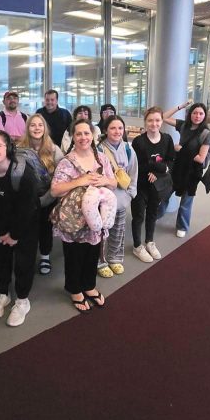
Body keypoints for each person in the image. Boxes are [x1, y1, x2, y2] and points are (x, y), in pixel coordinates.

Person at [51, 119, 118, 312]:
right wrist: (79, 181)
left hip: (96, 216)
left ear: (93, 135)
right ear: (72, 136)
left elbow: (114, 183)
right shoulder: (66, 161)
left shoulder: (101, 158)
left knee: (92, 253)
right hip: (73, 218)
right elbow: (55, 190)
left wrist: (104, 179)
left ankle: (88, 285)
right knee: (74, 254)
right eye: (78, 133)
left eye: (86, 133)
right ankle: (74, 289)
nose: (83, 137)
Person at [0, 129, 40, 327]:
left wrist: (15, 235)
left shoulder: (23, 173)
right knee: (0, 258)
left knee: (23, 262)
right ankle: (3, 294)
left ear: (8, 148)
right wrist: (2, 232)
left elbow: (27, 208)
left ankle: (22, 300)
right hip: (1, 221)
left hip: (26, 223)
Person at [16, 113, 64, 276]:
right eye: (33, 125)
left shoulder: (54, 149)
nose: (36, 128)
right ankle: (27, 256)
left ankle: (45, 255)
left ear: (45, 128)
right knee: (28, 229)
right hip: (27, 200)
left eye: (40, 125)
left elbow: (61, 176)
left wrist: (47, 198)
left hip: (48, 197)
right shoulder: (19, 149)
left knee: (45, 228)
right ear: (27, 128)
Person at [130, 107, 175, 263]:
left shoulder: (168, 139)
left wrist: (158, 171)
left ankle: (149, 241)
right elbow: (136, 167)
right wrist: (155, 166)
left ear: (162, 122)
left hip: (157, 185)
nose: (154, 123)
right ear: (145, 122)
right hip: (140, 184)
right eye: (150, 120)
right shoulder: (138, 141)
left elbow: (170, 162)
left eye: (157, 120)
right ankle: (137, 246)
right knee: (138, 216)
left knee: (152, 214)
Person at [95, 116, 137, 277]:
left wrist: (130, 194)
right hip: (104, 202)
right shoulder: (98, 149)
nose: (117, 131)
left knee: (118, 231)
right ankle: (100, 261)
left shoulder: (128, 148)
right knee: (102, 233)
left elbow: (134, 171)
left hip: (122, 199)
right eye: (113, 128)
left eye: (120, 128)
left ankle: (114, 258)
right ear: (105, 130)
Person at [164, 102, 210, 238]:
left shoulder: (205, 134)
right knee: (166, 192)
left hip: (192, 171)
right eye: (194, 113)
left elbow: (201, 159)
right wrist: (180, 107)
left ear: (205, 116)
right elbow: (163, 117)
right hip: (179, 166)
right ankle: (156, 214)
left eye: (201, 113)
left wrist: (182, 149)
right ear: (190, 114)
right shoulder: (183, 125)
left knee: (186, 199)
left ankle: (182, 226)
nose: (197, 116)